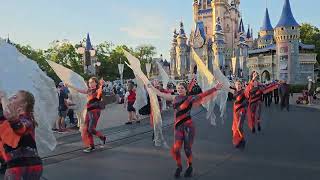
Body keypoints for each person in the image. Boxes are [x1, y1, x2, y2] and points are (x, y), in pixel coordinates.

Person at [148, 82, 223, 178]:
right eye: (178, 88)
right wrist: (150, 87)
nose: (179, 89)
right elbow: (160, 94)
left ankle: (190, 166)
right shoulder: (174, 97)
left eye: (182, 88)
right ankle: (179, 166)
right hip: (178, 126)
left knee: (187, 149)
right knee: (176, 149)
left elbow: (203, 94)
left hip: (188, 127)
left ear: (186, 89)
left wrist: (215, 88)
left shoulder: (190, 98)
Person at [0, 90, 43, 179]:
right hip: (16, 165)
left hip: (22, 167)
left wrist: (3, 97)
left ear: (24, 104)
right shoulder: (7, 120)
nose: (10, 98)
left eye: (15, 97)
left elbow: (20, 129)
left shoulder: (27, 119)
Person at [66, 77, 107, 153]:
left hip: (95, 111)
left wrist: (102, 85)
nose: (90, 84)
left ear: (96, 83)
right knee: (86, 129)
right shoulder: (89, 90)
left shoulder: (98, 90)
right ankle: (91, 146)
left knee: (91, 129)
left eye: (92, 82)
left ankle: (102, 137)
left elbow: (100, 93)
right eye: (89, 82)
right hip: (89, 111)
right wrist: (70, 86)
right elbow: (79, 90)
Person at [231, 80, 247, 149]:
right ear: (235, 85)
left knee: (239, 126)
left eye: (239, 84)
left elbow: (247, 100)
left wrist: (244, 104)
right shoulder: (235, 92)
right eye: (237, 84)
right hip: (235, 111)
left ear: (241, 85)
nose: (238, 85)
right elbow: (226, 87)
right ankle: (239, 140)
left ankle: (242, 140)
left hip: (242, 111)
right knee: (236, 127)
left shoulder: (244, 92)